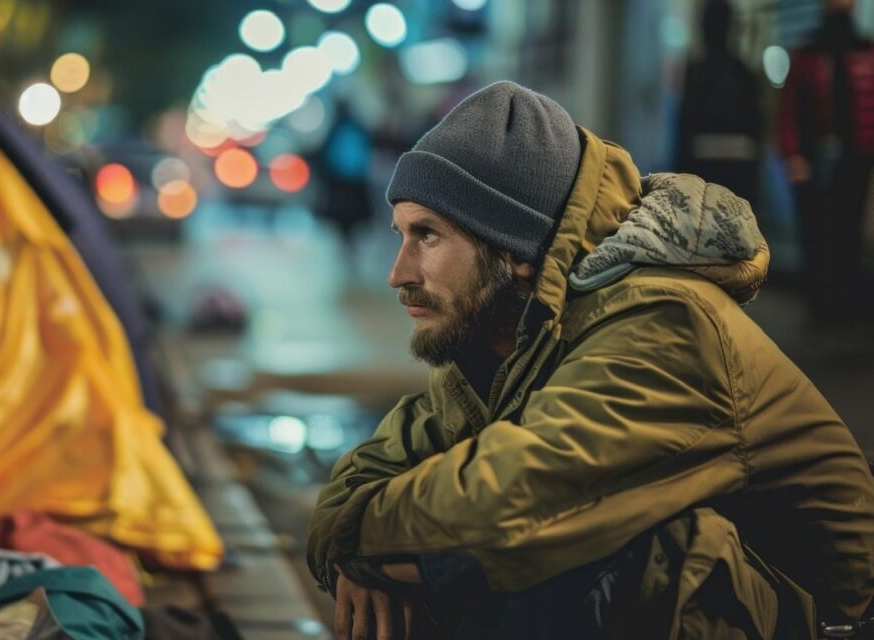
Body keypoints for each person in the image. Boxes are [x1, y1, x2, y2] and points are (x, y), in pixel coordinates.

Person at [307, 81, 874, 639]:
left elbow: (514, 499)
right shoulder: (508, 336)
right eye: (401, 235)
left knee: (586, 547)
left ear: (514, 249)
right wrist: (360, 549)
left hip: (822, 621)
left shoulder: (667, 320)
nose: (398, 274)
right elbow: (368, 471)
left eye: (427, 236)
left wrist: (358, 544)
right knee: (442, 553)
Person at [778, 0, 874, 327]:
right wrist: (794, 156)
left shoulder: (864, 52)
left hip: (856, 161)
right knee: (817, 236)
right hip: (815, 161)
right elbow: (790, 112)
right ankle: (823, 307)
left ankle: (844, 307)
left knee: (848, 233)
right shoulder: (806, 56)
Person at [677, 0, 762, 206]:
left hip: (702, 169)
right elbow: (757, 127)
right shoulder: (744, 74)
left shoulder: (697, 73)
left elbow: (684, 127)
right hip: (738, 170)